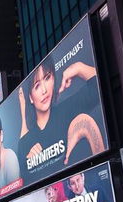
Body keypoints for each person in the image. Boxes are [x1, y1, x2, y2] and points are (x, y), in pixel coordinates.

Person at [17, 56, 106, 186]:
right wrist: (31, 165)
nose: (44, 90)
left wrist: (79, 68)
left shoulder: (67, 109)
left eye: (47, 78)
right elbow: (24, 187)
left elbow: (100, 85)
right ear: (30, 97)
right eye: (37, 86)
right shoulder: (25, 142)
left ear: (53, 78)